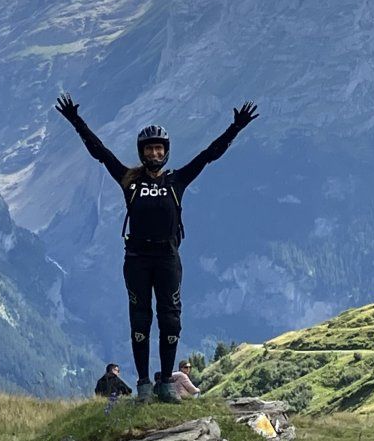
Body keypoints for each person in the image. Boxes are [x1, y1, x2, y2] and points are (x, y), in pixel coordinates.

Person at [55, 93, 258, 403]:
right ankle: (144, 385)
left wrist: (236, 127)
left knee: (170, 321)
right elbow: (101, 153)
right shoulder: (129, 180)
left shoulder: (177, 180)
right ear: (142, 152)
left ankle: (165, 383)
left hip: (167, 258)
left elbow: (208, 155)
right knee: (140, 321)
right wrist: (75, 121)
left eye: (159, 148)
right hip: (137, 258)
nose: (154, 152)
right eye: (149, 148)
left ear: (166, 151)